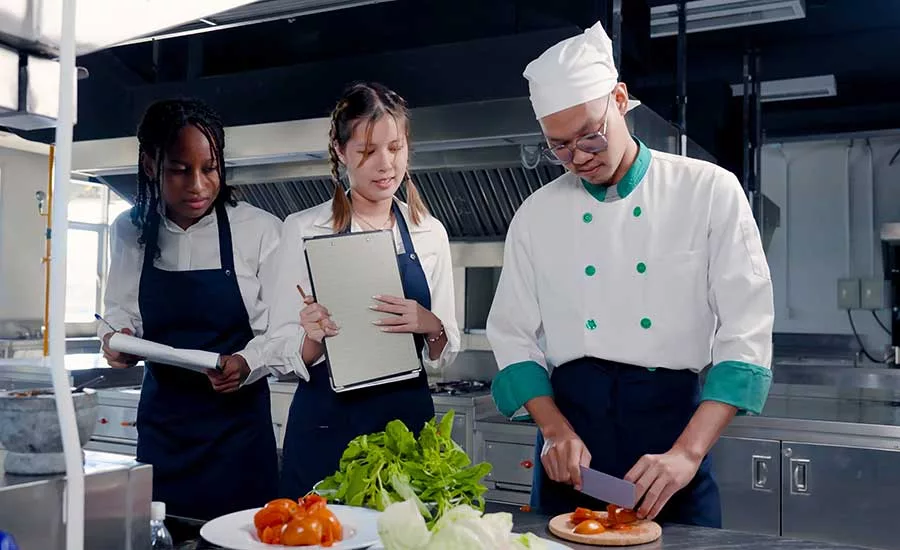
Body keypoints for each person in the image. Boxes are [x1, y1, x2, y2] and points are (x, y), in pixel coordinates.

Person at [485, 20, 775, 528]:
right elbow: (511, 335)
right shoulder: (535, 214)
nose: (578, 159)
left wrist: (687, 454)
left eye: (590, 138)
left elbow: (745, 338)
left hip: (671, 440)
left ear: (619, 99)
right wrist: (553, 431)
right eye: (559, 148)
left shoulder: (708, 190)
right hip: (571, 446)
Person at [266, 82, 460, 498]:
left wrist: (432, 324)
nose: (385, 164)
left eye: (395, 147)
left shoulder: (429, 233)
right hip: (327, 427)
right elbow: (279, 350)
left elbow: (445, 351)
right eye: (367, 152)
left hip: (407, 428)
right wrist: (311, 338)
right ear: (340, 151)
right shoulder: (302, 229)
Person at [99, 98, 281, 521]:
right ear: (150, 165)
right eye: (179, 170)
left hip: (238, 435)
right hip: (164, 430)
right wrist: (114, 339)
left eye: (210, 168)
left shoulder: (259, 230)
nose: (197, 184)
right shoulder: (130, 229)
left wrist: (245, 362)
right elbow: (119, 310)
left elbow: (281, 332)